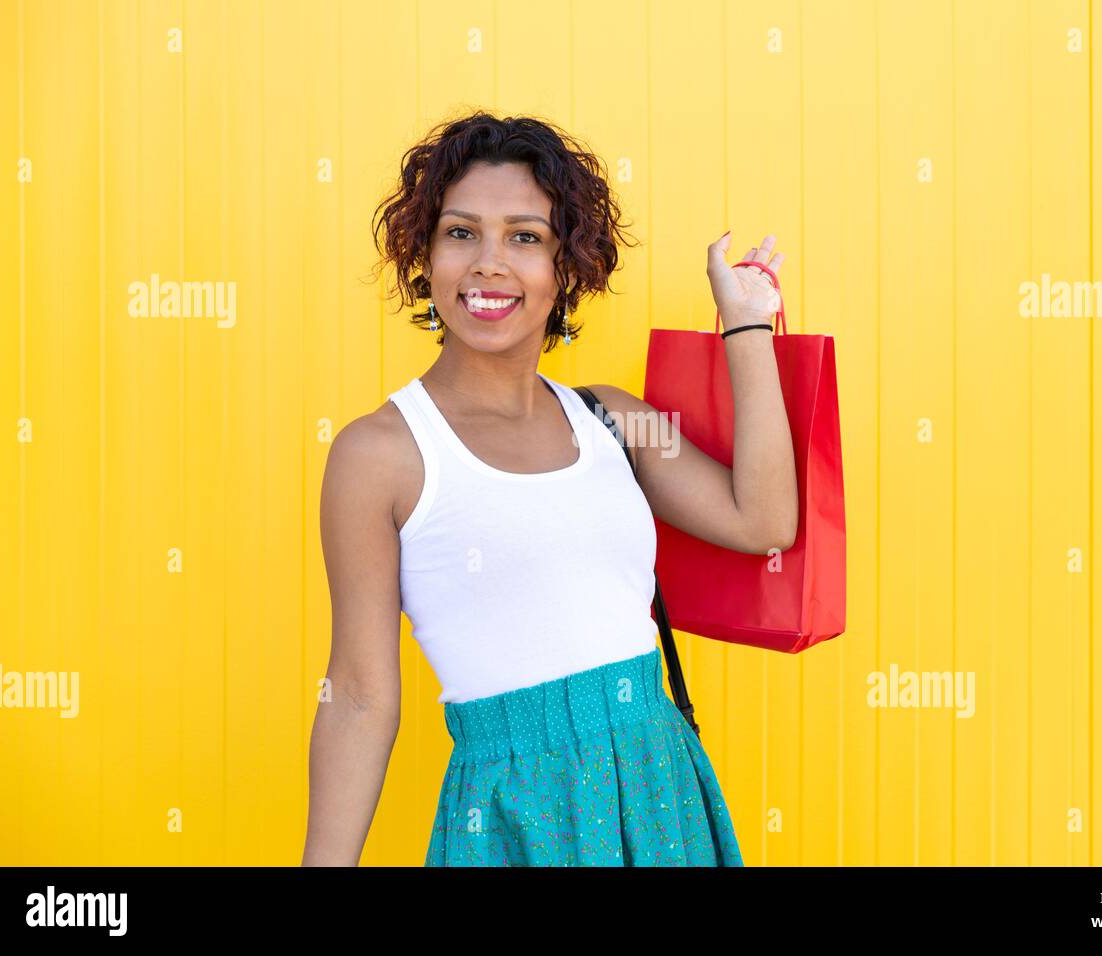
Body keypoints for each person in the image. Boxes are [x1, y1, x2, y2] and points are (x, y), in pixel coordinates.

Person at [301, 111, 797, 866]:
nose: (489, 263)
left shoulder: (613, 420)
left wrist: (747, 328)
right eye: (461, 232)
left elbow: (764, 520)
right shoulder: (380, 454)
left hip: (660, 791)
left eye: (525, 237)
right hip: (511, 818)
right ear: (425, 257)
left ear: (567, 268)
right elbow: (360, 697)